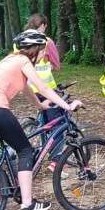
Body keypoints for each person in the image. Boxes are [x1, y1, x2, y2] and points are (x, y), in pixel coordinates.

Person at [0, 30, 82, 210]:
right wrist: (67, 106)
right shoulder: (24, 61)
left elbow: (26, 88)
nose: (44, 54)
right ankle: (28, 204)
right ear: (35, 49)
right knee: (25, 151)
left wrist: (40, 105)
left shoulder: (10, 59)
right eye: (42, 50)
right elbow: (44, 87)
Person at [23, 14, 63, 171]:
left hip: (28, 87)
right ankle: (55, 160)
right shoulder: (47, 42)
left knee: (43, 120)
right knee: (58, 122)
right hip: (45, 87)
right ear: (44, 25)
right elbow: (56, 65)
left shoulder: (21, 40)